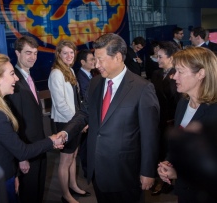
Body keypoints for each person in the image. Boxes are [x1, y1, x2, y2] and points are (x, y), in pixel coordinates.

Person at [56, 33, 160, 203]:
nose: (96, 65)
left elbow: (150, 135)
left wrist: (148, 171)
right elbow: (84, 113)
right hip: (97, 170)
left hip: (126, 173)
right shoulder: (95, 83)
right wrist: (66, 133)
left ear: (118, 57)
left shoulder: (143, 89)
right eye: (94, 59)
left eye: (100, 59)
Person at [0, 53, 64, 203]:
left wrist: (13, 174)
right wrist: (51, 140)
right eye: (12, 74)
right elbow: (22, 151)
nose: (16, 78)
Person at [157, 47, 217, 203]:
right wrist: (169, 162)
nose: (174, 76)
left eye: (180, 72)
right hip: (185, 192)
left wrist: (180, 171)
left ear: (201, 74)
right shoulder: (183, 103)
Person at [4, 36, 47, 203]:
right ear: (17, 53)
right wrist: (22, 157)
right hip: (27, 151)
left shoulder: (28, 77)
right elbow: (15, 123)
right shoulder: (14, 83)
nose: (33, 57)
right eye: (28, 53)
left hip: (38, 146)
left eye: (35, 53)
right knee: (28, 194)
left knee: (38, 191)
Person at [48, 40, 90, 203]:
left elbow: (75, 100)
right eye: (65, 53)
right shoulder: (56, 73)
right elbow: (61, 104)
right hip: (64, 123)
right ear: (58, 54)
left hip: (74, 121)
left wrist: (80, 121)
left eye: (71, 53)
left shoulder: (70, 71)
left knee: (73, 156)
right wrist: (78, 122)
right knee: (65, 160)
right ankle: (65, 194)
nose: (69, 56)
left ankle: (73, 186)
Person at [151, 41, 181, 195]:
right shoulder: (156, 74)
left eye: (161, 57)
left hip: (172, 122)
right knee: (158, 151)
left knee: (169, 152)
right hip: (157, 120)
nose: (158, 59)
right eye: (157, 56)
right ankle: (160, 178)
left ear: (172, 57)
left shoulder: (179, 74)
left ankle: (167, 182)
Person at [75, 49, 95, 178]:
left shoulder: (90, 75)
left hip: (92, 116)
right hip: (86, 117)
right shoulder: (80, 77)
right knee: (85, 147)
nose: (94, 61)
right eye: (91, 59)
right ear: (83, 62)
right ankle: (88, 173)